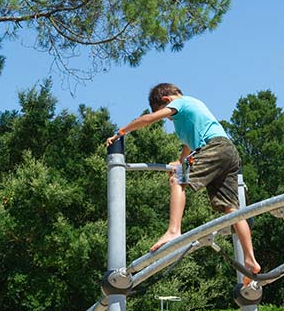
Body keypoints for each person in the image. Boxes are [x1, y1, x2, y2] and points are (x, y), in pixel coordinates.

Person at [106, 83, 260, 279]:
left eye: (168, 114)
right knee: (232, 209)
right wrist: (179, 161)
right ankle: (250, 260)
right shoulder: (189, 116)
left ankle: (173, 230)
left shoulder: (181, 103)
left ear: (166, 100)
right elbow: (188, 145)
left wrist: (121, 132)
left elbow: (148, 119)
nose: (169, 117)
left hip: (215, 147)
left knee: (177, 180)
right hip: (228, 152)